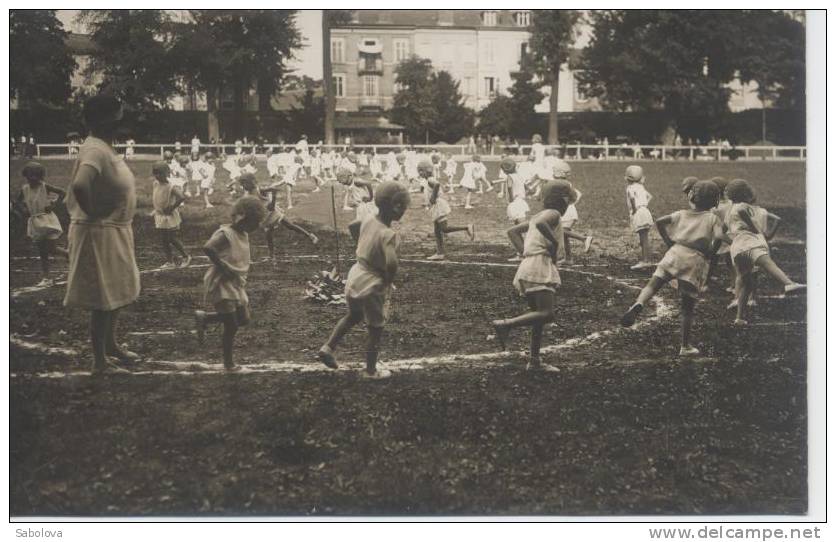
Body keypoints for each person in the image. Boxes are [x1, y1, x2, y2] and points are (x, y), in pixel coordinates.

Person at [63, 94, 141, 375]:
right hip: (98, 232)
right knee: (103, 295)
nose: (122, 121)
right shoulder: (95, 150)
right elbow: (81, 185)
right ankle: (99, 363)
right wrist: (94, 212)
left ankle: (111, 345)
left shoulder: (102, 147)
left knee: (117, 288)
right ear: (107, 120)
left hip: (113, 230)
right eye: (119, 116)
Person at [620, 181, 726, 357]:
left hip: (675, 252)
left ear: (692, 196)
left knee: (653, 284)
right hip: (694, 259)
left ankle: (638, 304)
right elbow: (720, 237)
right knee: (687, 306)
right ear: (715, 201)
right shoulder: (713, 218)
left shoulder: (681, 214)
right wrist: (711, 252)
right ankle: (685, 346)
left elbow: (660, 222)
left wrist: (669, 242)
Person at [316, 182, 411, 378]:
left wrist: (361, 244)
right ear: (397, 207)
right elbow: (392, 263)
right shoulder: (388, 234)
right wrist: (388, 279)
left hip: (356, 273)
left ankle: (328, 347)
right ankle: (370, 370)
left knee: (354, 315)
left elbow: (352, 226)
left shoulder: (367, 218)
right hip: (373, 282)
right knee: (375, 328)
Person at [491, 180, 576, 371]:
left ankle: (534, 360)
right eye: (568, 202)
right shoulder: (552, 214)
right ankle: (506, 324)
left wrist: (525, 253)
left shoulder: (540, 213)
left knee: (538, 318)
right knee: (547, 314)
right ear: (562, 200)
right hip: (539, 266)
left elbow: (512, 231)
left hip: (529, 265)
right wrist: (552, 244)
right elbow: (540, 224)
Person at [195, 196, 266, 371]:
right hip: (222, 282)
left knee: (244, 318)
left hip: (236, 282)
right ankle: (228, 363)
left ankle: (206, 318)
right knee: (231, 325)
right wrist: (222, 267)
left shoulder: (243, 233)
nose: (257, 226)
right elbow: (208, 248)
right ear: (242, 218)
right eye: (254, 222)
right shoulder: (225, 234)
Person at [724, 179, 805, 325]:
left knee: (746, 282)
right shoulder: (744, 207)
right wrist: (752, 225)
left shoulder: (730, 210)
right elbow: (747, 218)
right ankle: (788, 283)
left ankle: (739, 318)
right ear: (745, 193)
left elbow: (725, 227)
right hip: (750, 243)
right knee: (768, 263)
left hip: (737, 248)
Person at [238, 174, 318, 262]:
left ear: (251, 183)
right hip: (264, 215)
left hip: (272, 212)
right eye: (242, 184)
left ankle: (310, 236)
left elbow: (273, 194)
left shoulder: (259, 190)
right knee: (269, 234)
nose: (243, 186)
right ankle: (272, 255)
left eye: (244, 184)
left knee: (289, 225)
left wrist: (273, 199)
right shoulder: (247, 194)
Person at [15, 161, 68, 286]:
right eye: (30, 175)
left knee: (51, 248)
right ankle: (46, 276)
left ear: (40, 176)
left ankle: (68, 255)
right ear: (26, 175)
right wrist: (24, 210)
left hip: (48, 220)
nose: (33, 178)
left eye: (36, 176)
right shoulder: (24, 189)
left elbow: (63, 192)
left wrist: (54, 205)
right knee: (43, 251)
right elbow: (17, 201)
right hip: (34, 221)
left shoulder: (44, 186)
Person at [423, 161, 475, 260]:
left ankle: (466, 227)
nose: (420, 173)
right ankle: (440, 253)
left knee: (444, 229)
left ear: (426, 171)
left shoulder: (430, 179)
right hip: (437, 205)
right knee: (437, 230)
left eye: (421, 171)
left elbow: (437, 184)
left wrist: (433, 197)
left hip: (438, 206)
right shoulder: (429, 179)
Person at [151, 161, 191, 269]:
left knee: (172, 238)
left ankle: (186, 256)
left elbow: (182, 197)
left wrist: (172, 207)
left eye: (160, 173)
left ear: (166, 173)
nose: (157, 176)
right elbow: (157, 197)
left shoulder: (171, 187)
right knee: (164, 239)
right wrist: (156, 209)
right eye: (155, 173)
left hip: (169, 216)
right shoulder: (155, 183)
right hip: (160, 215)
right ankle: (170, 261)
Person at [551, 161, 593, 264]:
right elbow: (578, 194)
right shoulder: (566, 183)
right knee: (564, 235)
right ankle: (568, 258)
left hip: (566, 212)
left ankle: (584, 238)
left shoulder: (561, 184)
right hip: (568, 211)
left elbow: (575, 195)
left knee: (560, 232)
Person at [624, 165, 655, 270]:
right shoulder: (641, 187)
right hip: (645, 211)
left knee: (644, 238)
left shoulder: (630, 188)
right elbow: (649, 196)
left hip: (639, 212)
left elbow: (632, 199)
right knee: (644, 238)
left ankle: (646, 260)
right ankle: (646, 259)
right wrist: (643, 206)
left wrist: (635, 210)